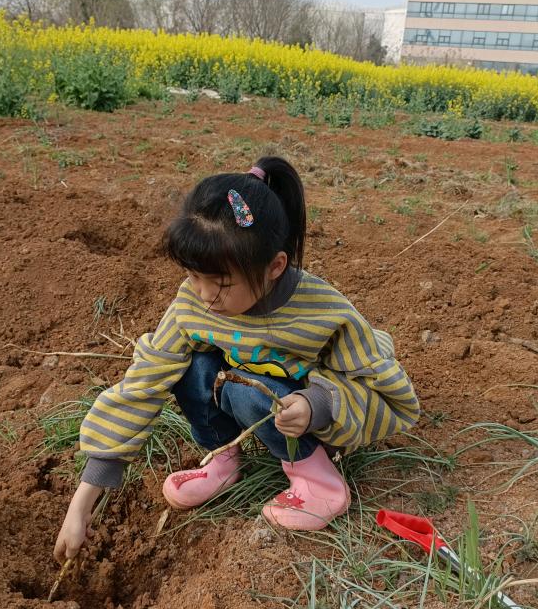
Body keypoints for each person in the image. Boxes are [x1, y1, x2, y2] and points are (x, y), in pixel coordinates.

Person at [53, 157, 419, 562]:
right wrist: (83, 500)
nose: (205, 295)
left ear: (275, 266)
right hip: (251, 395)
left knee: (243, 391)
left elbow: (385, 391)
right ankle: (221, 459)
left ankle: (317, 479)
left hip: (300, 414)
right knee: (189, 367)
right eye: (194, 276)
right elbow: (144, 381)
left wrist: (317, 405)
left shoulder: (324, 312)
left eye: (221, 283)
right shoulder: (193, 304)